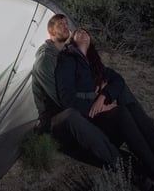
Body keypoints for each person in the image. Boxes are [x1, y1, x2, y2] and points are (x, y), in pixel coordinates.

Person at [56, 27, 154, 191]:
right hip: (87, 120)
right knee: (122, 112)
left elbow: (118, 79)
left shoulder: (93, 62)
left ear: (90, 40)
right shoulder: (67, 59)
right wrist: (96, 105)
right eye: (77, 33)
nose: (82, 33)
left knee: (130, 107)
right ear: (73, 40)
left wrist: (104, 96)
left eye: (85, 32)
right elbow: (67, 98)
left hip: (102, 116)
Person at [31, 14, 120, 166]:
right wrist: (97, 102)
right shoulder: (46, 59)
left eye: (67, 24)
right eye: (60, 25)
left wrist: (101, 94)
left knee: (113, 99)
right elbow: (63, 100)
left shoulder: (67, 54)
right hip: (54, 118)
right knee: (73, 114)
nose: (66, 27)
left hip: (74, 108)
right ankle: (119, 163)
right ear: (51, 32)